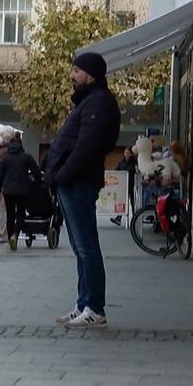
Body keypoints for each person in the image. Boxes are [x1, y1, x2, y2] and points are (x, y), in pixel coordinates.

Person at [44, 52, 121, 329]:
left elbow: (86, 146)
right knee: (80, 248)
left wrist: (62, 174)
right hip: (72, 181)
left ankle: (94, 307)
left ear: (89, 74)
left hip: (78, 182)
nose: (71, 76)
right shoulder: (89, 101)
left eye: (75, 71)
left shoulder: (98, 103)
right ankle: (83, 303)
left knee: (86, 247)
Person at [0, 133, 40, 251]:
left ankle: (10, 239)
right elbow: (37, 172)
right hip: (22, 190)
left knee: (10, 215)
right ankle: (15, 235)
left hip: (8, 191)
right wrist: (35, 181)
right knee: (20, 214)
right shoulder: (27, 157)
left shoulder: (5, 159)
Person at [111, 146, 137, 226]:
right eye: (125, 153)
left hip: (132, 185)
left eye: (128, 153)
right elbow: (117, 170)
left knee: (133, 202)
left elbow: (136, 172)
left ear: (131, 154)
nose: (126, 154)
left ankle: (135, 219)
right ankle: (118, 218)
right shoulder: (121, 162)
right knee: (122, 202)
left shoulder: (135, 162)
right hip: (124, 185)